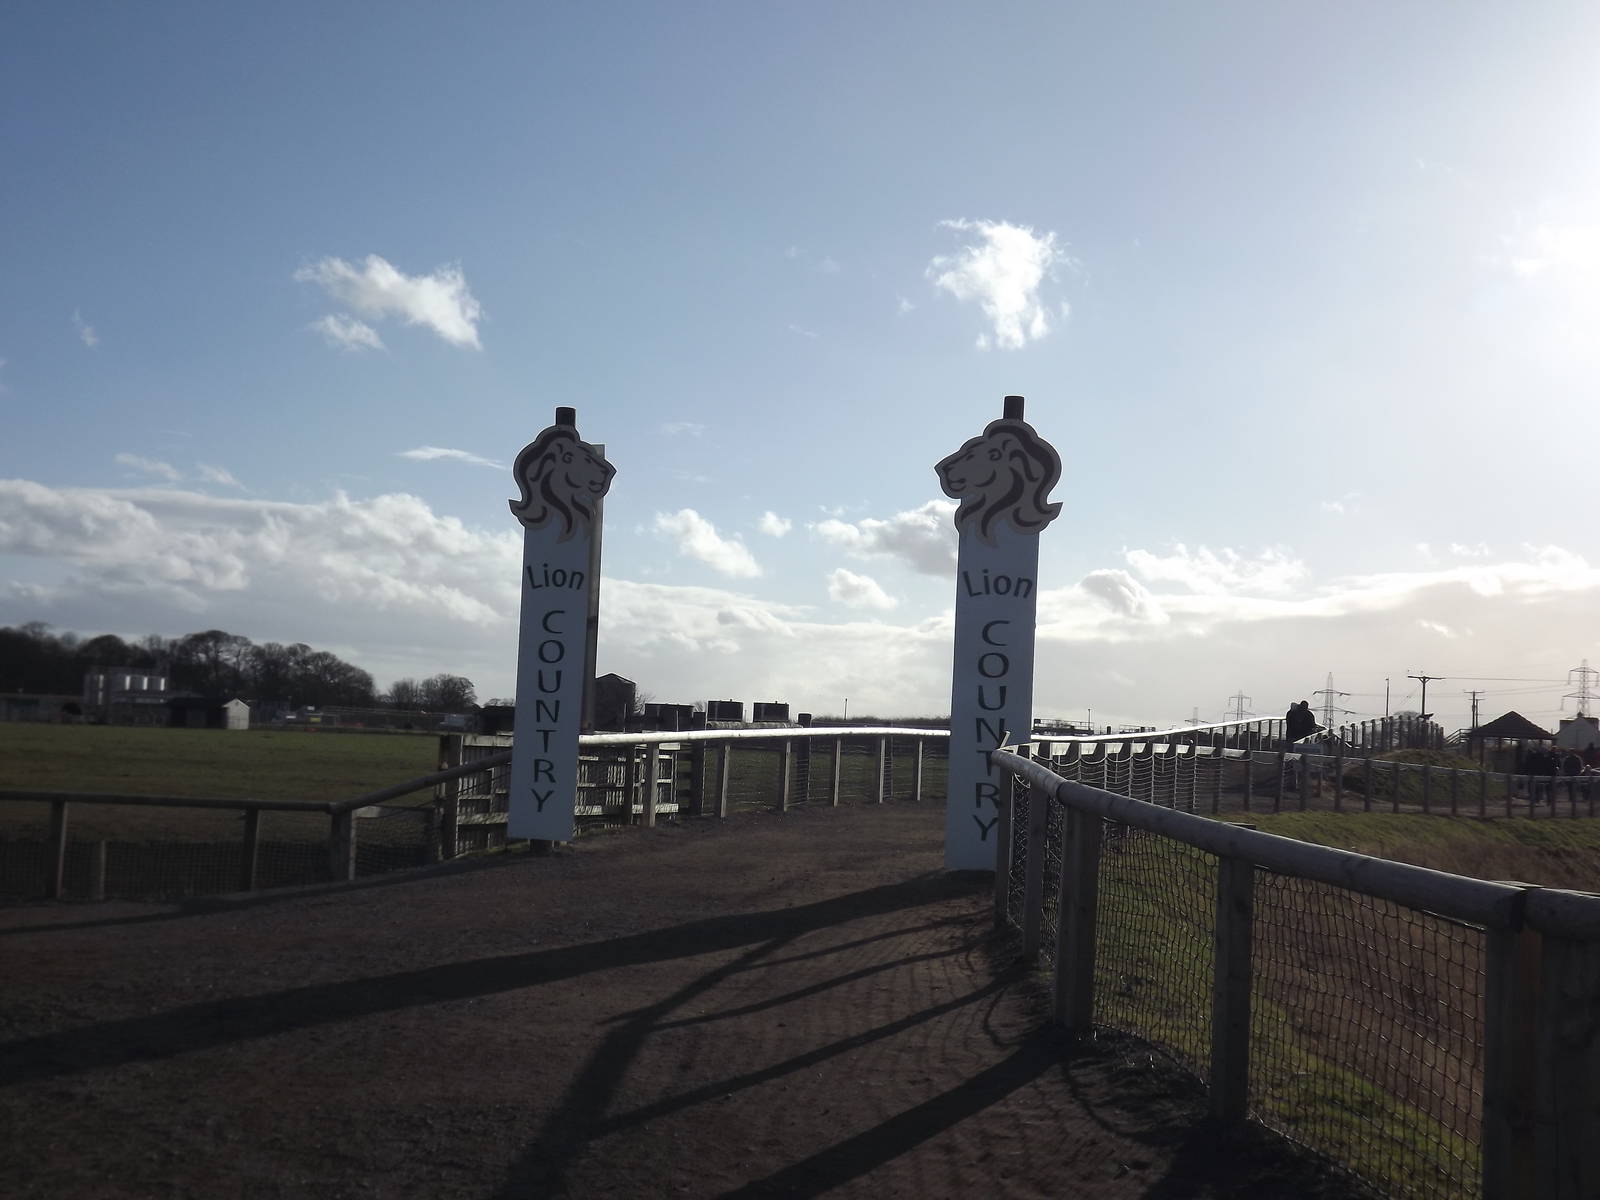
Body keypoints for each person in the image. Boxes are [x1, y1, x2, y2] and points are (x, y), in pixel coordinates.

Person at [1284, 700, 1319, 790]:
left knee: (1292, 757)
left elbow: (1289, 724)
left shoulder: (1291, 713)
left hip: (1293, 738)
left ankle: (1292, 775)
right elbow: (1312, 726)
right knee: (1301, 758)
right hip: (1302, 739)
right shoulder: (1308, 715)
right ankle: (1297, 778)